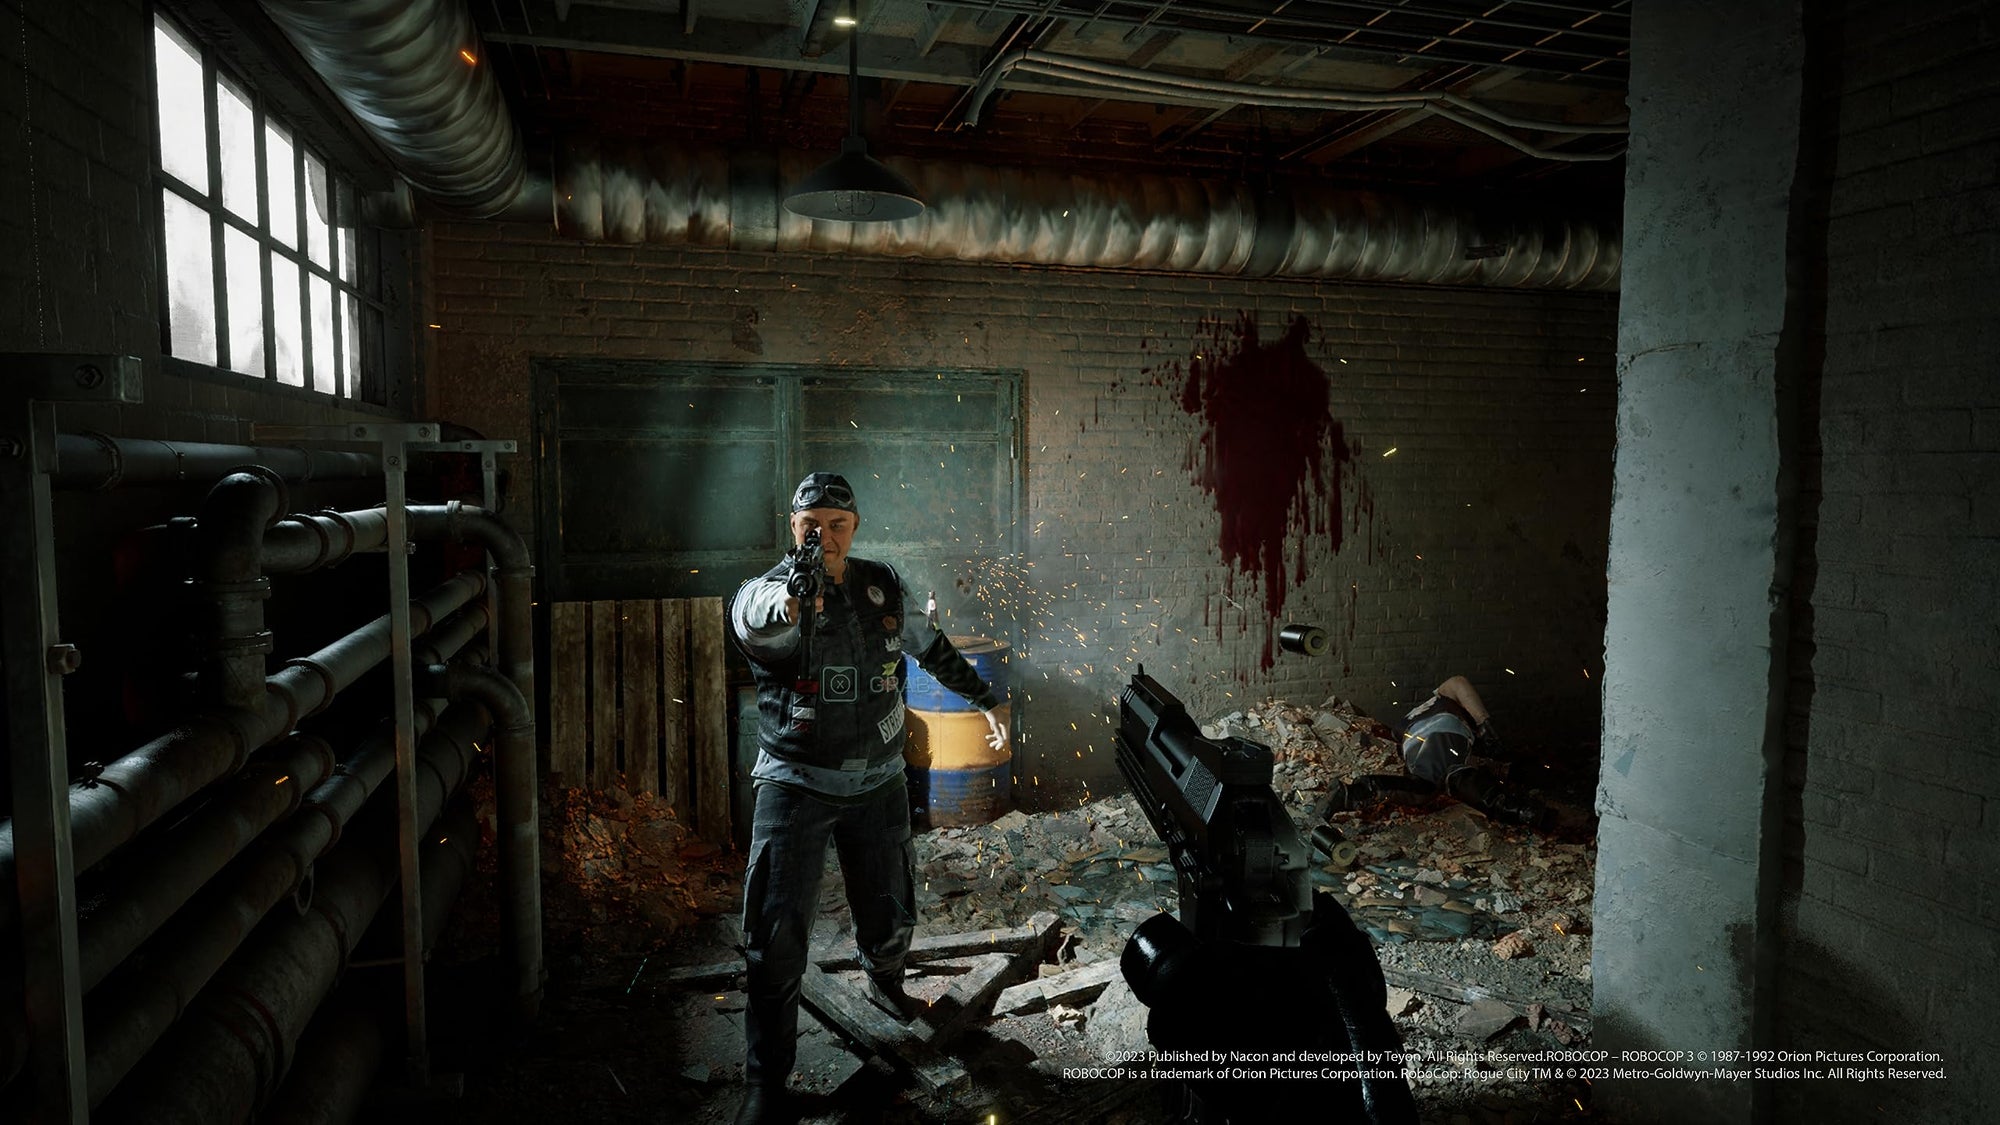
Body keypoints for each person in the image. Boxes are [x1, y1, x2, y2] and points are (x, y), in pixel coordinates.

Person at [727, 471, 1007, 1125]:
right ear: (792, 527)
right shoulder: (766, 592)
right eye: (811, 525)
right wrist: (791, 602)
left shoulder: (882, 585)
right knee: (774, 936)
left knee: (889, 910)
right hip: (795, 783)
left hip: (879, 781)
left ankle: (885, 985)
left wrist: (985, 698)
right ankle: (765, 1082)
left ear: (854, 529)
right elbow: (758, 618)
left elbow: (930, 647)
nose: (823, 536)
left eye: (837, 524)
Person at [1322, 675, 1543, 827]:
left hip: (1411, 742)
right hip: (1439, 732)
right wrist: (1484, 722)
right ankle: (1519, 810)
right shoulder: (1451, 707)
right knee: (1452, 773)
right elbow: (1458, 681)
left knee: (1423, 789)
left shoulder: (1430, 706)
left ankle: (1352, 793)